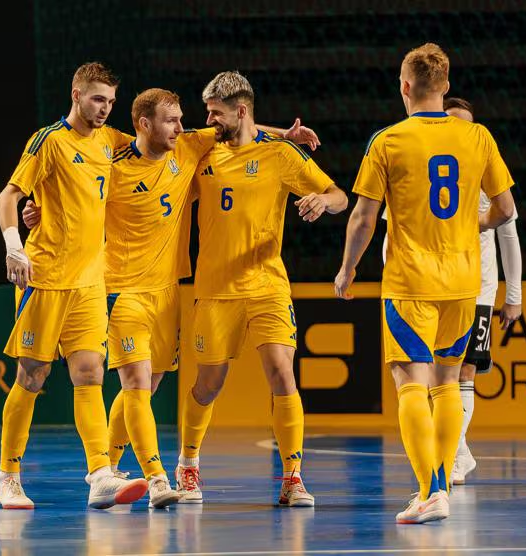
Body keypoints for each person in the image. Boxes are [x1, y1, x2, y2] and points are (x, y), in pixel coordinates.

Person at [21, 88, 320, 509]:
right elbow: (75, 197)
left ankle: (108, 467)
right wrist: (39, 214)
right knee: (138, 384)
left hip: (167, 291)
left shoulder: (187, 149)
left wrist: (283, 136)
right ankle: (156, 478)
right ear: (143, 125)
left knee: (149, 383)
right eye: (172, 121)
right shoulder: (114, 160)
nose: (183, 127)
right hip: (119, 290)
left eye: (184, 120)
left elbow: (232, 126)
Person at [334, 43, 516, 524]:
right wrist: (472, 225)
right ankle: (438, 487)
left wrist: (348, 270)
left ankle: (429, 490)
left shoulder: (388, 141)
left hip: (410, 280)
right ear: (447, 86)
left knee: (409, 384)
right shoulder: (476, 137)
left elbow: (363, 218)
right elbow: (505, 209)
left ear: (405, 86)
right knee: (448, 383)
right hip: (463, 282)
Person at [176, 71, 347, 507]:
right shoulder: (201, 151)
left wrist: (322, 202)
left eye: (216, 112)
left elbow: (339, 195)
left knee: (282, 373)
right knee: (209, 384)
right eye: (207, 112)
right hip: (214, 289)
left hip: (268, 284)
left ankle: (293, 477)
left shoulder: (280, 156)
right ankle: (188, 463)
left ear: (241, 110)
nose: (209, 119)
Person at [0, 61, 147, 510]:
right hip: (45, 278)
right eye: (98, 99)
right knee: (32, 376)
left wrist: (270, 134)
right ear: (76, 94)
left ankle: (100, 475)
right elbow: (10, 196)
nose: (105, 109)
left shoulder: (111, 140)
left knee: (91, 375)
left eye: (111, 102)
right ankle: (8, 477)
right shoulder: (49, 141)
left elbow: (172, 134)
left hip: (89, 283)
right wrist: (13, 246)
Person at [444, 98, 523, 485]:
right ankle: (458, 453)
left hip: (478, 288)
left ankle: (454, 456)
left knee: (465, 370)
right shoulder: (431, 169)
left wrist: (514, 296)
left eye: (468, 125)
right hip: (437, 284)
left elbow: (508, 230)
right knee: (434, 375)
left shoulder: (485, 166)